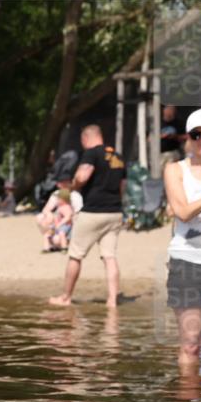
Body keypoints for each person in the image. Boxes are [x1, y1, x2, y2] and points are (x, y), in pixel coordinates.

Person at [162, 107, 201, 373]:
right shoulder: (174, 170)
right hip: (187, 263)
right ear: (188, 136)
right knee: (191, 345)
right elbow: (184, 212)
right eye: (196, 134)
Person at [49, 125, 126, 308]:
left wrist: (74, 185)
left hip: (93, 211)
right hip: (115, 212)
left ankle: (66, 297)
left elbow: (83, 176)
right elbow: (123, 186)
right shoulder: (118, 157)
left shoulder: (91, 153)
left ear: (85, 138)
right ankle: (112, 300)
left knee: (75, 255)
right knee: (109, 256)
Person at [160, 105, 187, 171]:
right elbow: (148, 137)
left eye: (171, 109)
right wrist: (162, 136)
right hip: (159, 153)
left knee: (170, 170)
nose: (169, 111)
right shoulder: (158, 122)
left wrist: (175, 136)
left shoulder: (179, 123)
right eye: (168, 108)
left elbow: (186, 136)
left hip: (173, 152)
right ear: (163, 110)